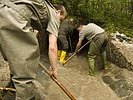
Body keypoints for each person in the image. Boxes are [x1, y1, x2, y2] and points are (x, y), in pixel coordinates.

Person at [0, 0, 67, 99]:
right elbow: (52, 47)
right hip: (14, 16)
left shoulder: (37, 4)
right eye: (61, 19)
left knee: (14, 58)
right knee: (25, 72)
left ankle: (12, 88)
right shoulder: (54, 15)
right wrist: (54, 69)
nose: (59, 22)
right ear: (58, 12)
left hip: (2, 8)